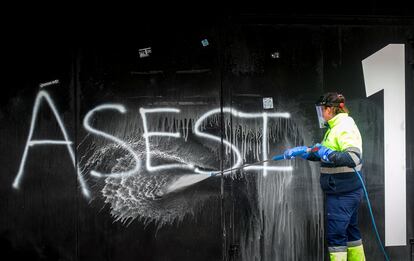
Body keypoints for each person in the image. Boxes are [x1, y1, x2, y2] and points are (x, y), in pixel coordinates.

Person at [284, 92, 365, 261]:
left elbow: (353, 157)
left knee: (337, 239)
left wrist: (326, 152)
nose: (320, 114)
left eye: (321, 110)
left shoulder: (343, 127)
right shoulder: (336, 127)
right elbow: (325, 154)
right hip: (346, 191)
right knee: (351, 235)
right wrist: (305, 152)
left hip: (342, 193)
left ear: (329, 109)